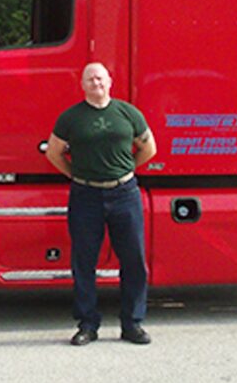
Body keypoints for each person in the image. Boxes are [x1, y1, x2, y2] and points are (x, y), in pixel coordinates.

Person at [45, 62, 157, 346]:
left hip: (125, 194)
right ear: (82, 85)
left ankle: (132, 324)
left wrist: (125, 171)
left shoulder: (127, 113)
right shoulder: (71, 118)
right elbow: (54, 152)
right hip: (86, 196)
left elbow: (149, 147)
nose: (96, 83)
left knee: (133, 261)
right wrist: (75, 175)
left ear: (110, 81)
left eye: (100, 78)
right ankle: (87, 325)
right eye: (90, 79)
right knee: (84, 262)